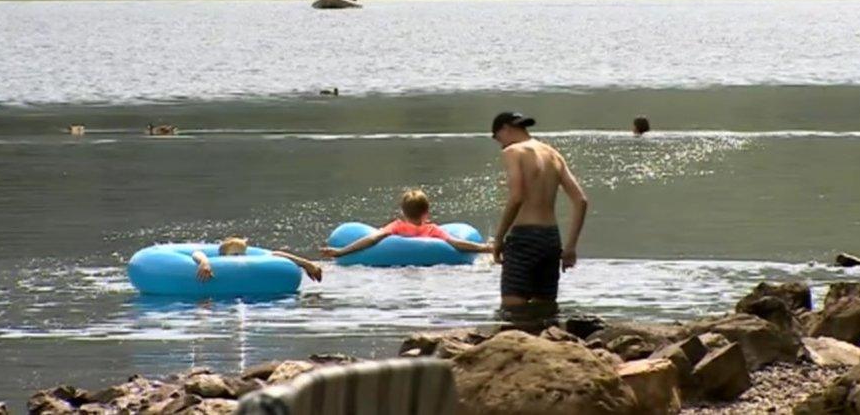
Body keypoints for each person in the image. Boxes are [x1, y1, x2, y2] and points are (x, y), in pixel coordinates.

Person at [490, 111, 588, 315]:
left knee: (512, 310)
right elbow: (581, 200)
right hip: (551, 239)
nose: (500, 144)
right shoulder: (553, 154)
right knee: (545, 310)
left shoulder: (513, 152)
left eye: (498, 138)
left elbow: (517, 197)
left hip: (524, 237)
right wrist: (570, 247)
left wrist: (498, 239)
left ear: (506, 129)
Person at [320, 189, 492, 258]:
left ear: (402, 212)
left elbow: (371, 240)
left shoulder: (396, 227)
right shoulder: (431, 230)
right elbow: (456, 244)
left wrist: (341, 251)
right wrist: (485, 248)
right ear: (427, 212)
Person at [193, 237, 323, 282]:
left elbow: (274, 255)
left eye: (242, 255)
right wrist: (204, 262)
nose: (240, 259)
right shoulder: (215, 262)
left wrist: (306, 264)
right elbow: (197, 253)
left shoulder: (249, 264)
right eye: (235, 255)